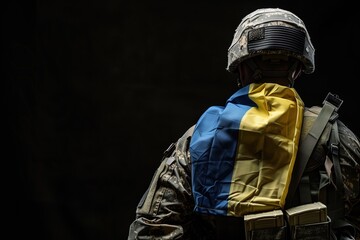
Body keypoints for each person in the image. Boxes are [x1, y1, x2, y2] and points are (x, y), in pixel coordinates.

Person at [127, 8, 360, 240]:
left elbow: (151, 229)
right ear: (297, 70)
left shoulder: (199, 138)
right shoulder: (335, 137)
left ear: (241, 68)